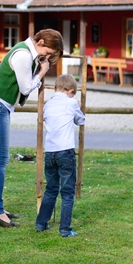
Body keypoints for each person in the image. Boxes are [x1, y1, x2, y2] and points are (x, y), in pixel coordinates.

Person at [0, 28, 63, 228]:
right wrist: (42, 71)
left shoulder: (26, 52)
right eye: (49, 52)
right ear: (41, 41)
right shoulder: (24, 55)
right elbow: (26, 87)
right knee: (0, 160)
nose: (48, 57)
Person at [35, 73, 85, 237]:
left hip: (50, 152)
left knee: (51, 189)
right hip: (65, 151)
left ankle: (41, 223)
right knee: (68, 191)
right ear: (70, 91)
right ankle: (65, 229)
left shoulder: (48, 105)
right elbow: (80, 120)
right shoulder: (71, 103)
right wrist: (78, 106)